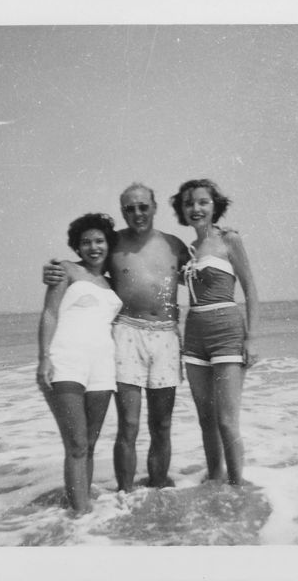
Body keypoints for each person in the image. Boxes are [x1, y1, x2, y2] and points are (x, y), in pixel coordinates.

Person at [43, 183, 188, 492]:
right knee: (130, 425)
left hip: (165, 337)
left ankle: (159, 490)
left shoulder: (175, 245)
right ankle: (126, 494)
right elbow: (86, 269)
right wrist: (56, 271)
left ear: (154, 206)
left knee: (162, 424)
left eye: (142, 206)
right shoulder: (114, 244)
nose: (137, 213)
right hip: (126, 334)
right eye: (129, 208)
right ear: (123, 211)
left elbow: (204, 273)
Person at [170, 178, 260, 486]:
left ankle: (237, 487)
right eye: (189, 203)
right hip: (194, 335)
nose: (195, 208)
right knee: (206, 420)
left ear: (214, 206)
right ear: (182, 210)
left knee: (226, 420)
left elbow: (250, 289)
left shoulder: (228, 239)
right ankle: (214, 480)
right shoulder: (188, 251)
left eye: (202, 202)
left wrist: (251, 337)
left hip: (227, 333)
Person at [36, 213, 123, 515]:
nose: (93, 247)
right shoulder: (66, 270)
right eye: (86, 242)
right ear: (77, 246)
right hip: (67, 361)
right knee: (76, 444)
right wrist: (44, 357)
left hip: (102, 366)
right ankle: (80, 517)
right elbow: (50, 313)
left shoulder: (112, 282)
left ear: (108, 244)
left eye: (99, 240)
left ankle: (80, 508)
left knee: (88, 443)